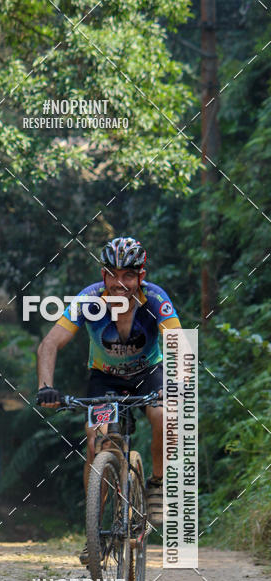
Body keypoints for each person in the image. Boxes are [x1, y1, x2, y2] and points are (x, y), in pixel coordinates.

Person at [36, 236, 181, 559]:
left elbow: (178, 345)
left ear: (141, 276)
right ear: (103, 276)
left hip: (148, 375)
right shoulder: (88, 300)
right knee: (96, 441)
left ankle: (157, 484)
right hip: (105, 380)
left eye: (128, 275)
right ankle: (95, 528)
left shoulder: (156, 299)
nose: (120, 283)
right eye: (113, 275)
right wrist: (46, 386)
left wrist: (175, 383)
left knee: (163, 416)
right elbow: (49, 344)